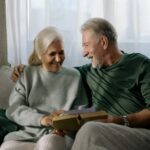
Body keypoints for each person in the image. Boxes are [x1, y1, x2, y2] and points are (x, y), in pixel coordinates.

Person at [11, 18, 150, 150]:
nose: (84, 53)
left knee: (89, 129)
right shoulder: (87, 71)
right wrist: (27, 69)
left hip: (139, 132)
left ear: (103, 42)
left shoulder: (139, 64)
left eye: (86, 45)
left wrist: (119, 121)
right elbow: (56, 71)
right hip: (106, 134)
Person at [0, 26, 88, 150]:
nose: (58, 59)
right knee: (7, 148)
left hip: (59, 136)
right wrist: (42, 119)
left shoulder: (74, 76)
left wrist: (66, 120)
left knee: (48, 145)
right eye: (52, 54)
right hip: (27, 135)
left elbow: (82, 112)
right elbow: (14, 109)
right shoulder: (27, 74)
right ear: (40, 55)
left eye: (61, 52)